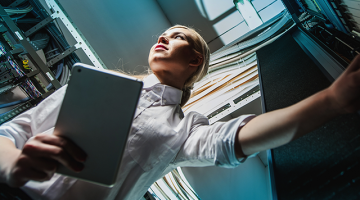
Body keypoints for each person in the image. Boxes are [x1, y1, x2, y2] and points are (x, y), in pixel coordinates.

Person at [0, 24, 359, 200]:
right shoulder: (95, 81)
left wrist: (329, 101)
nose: (164, 36)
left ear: (194, 59)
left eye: (177, 36)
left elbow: (239, 137)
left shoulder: (183, 129)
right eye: (164, 33)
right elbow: (8, 135)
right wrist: (14, 163)